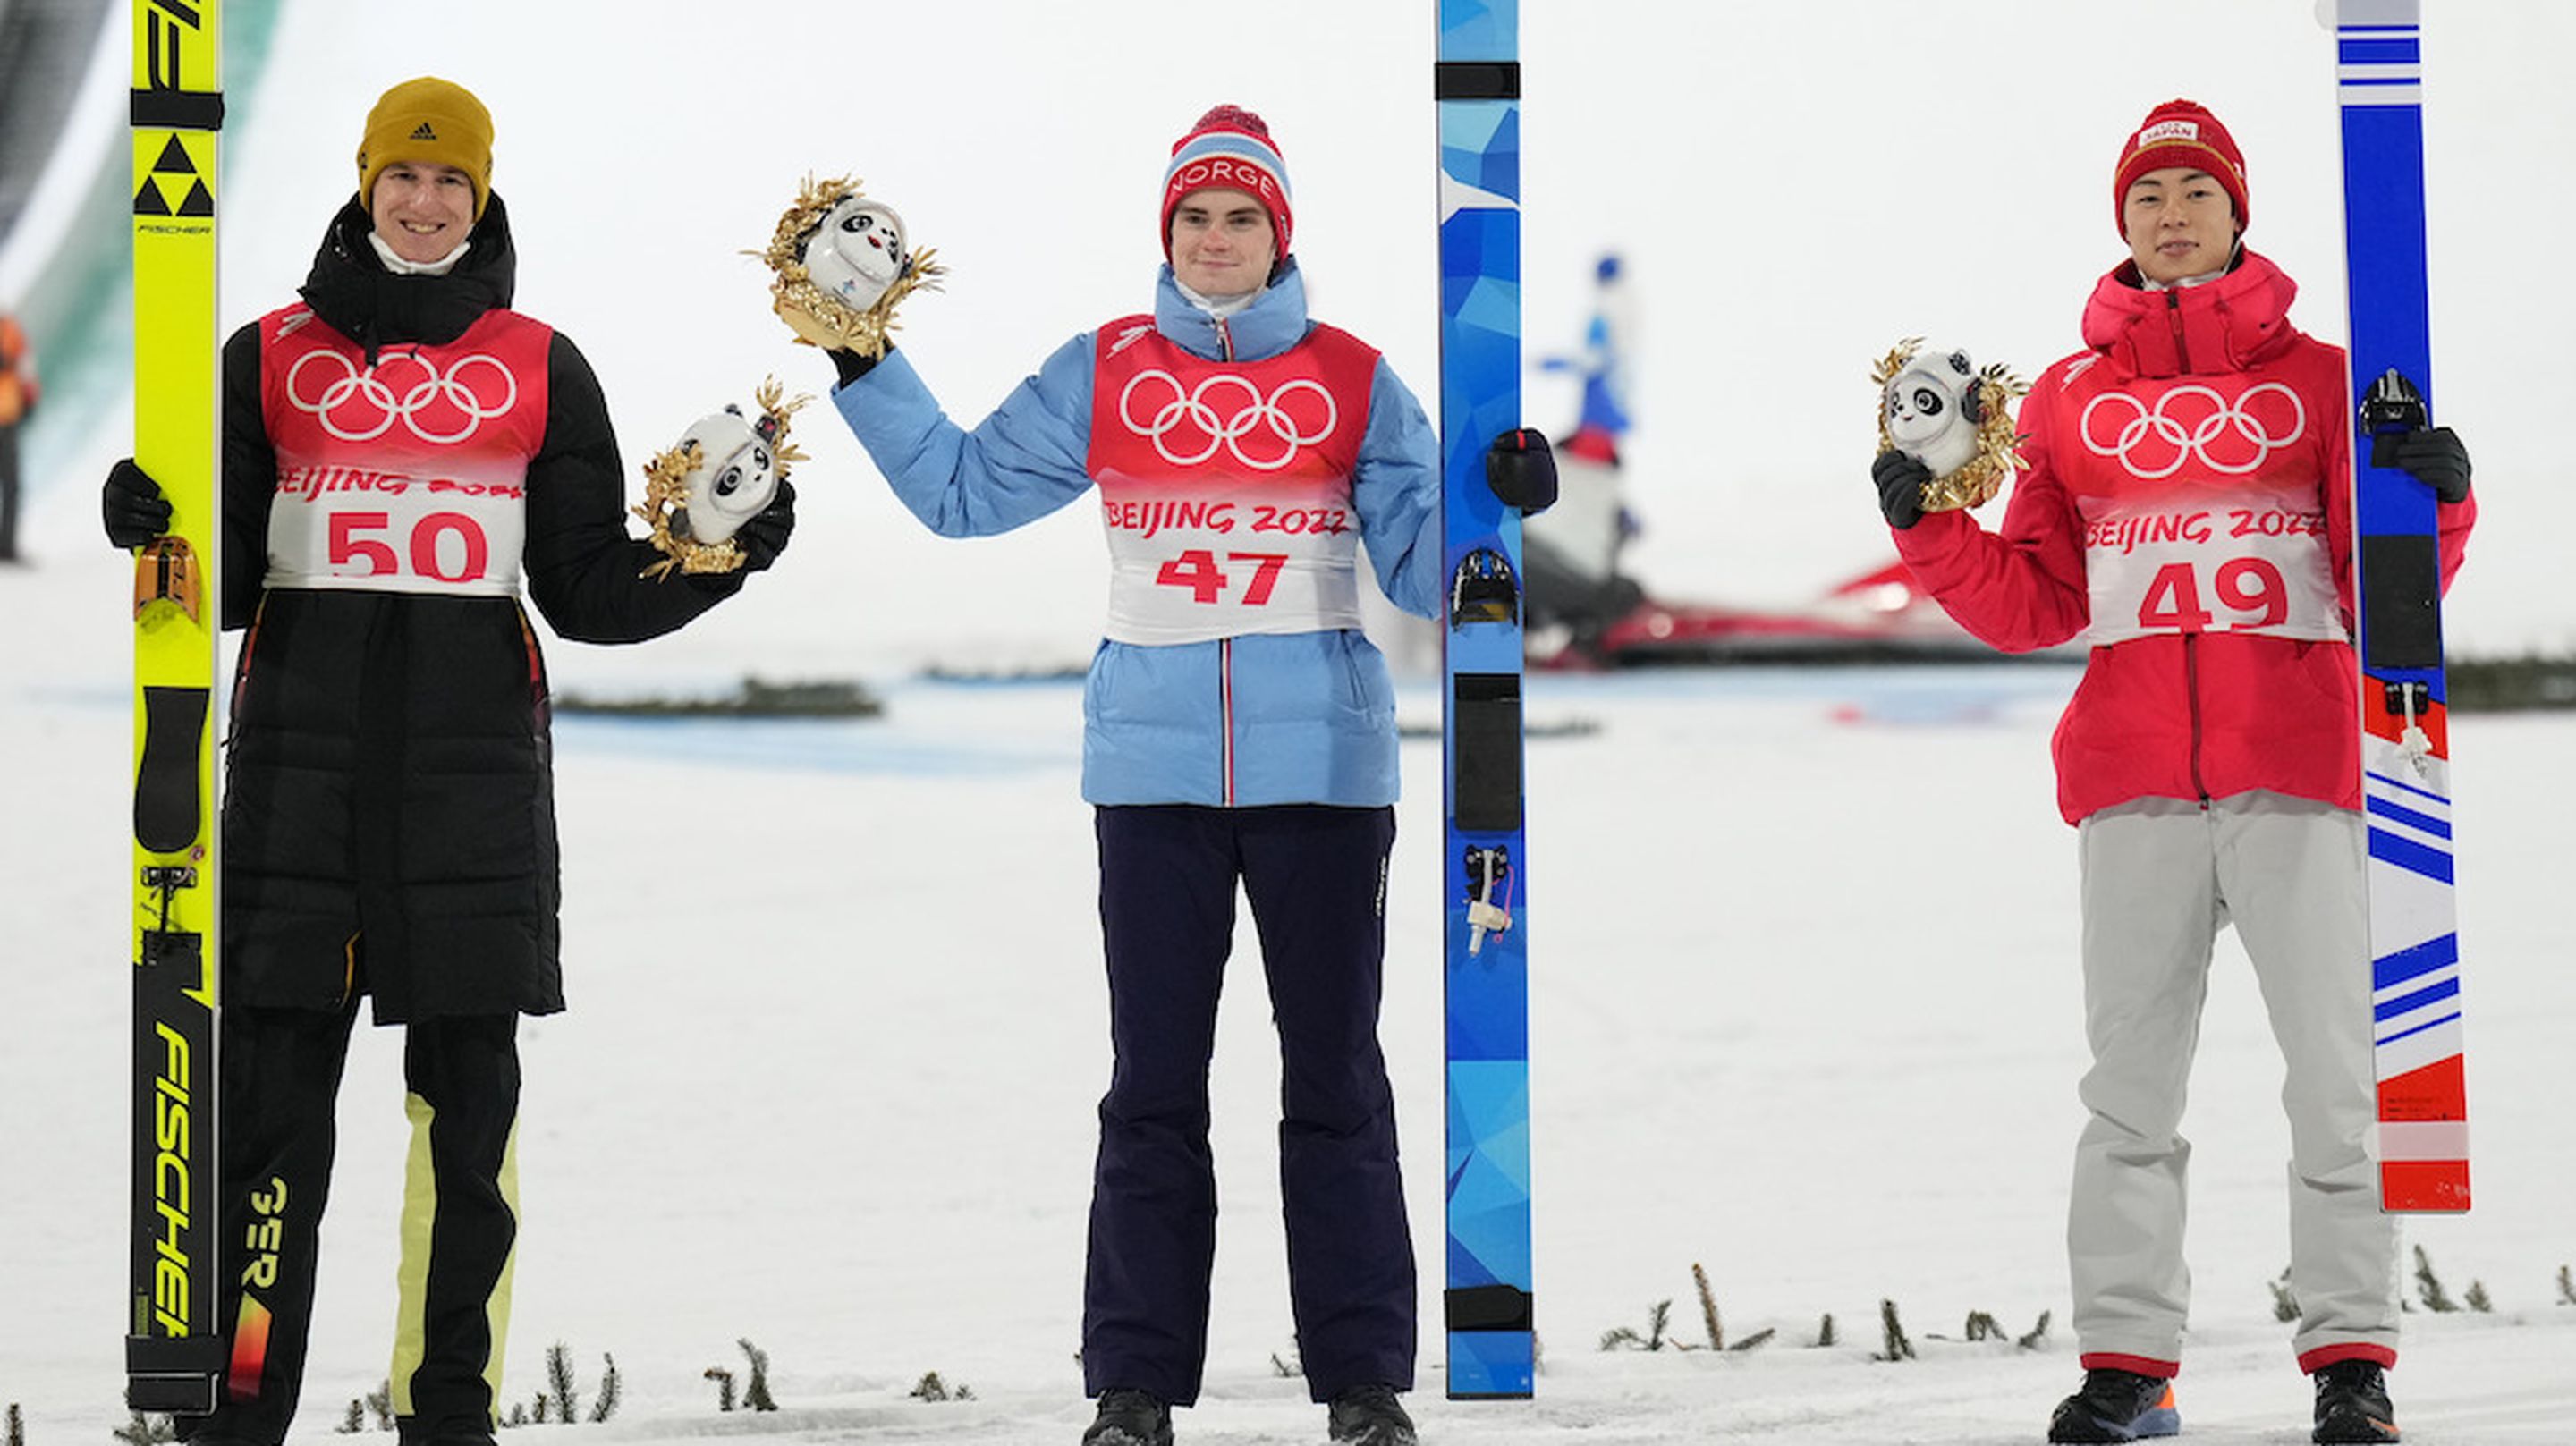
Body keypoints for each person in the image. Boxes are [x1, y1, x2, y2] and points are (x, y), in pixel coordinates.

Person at [777, 105, 1552, 1446]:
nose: (1215, 239)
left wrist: (1500, 505)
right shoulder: (1109, 368)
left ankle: (1362, 1383)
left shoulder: (1355, 377)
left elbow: (1433, 575)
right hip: (1151, 776)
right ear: (1166, 231)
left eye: (1241, 216)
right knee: (1152, 1083)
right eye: (1195, 216)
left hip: (1324, 774)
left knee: (1335, 1078)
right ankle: (1132, 1388)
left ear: (1279, 233)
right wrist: (863, 359)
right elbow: (964, 492)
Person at [98, 77, 795, 1446]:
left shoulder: (541, 364)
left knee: (465, 1135)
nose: (424, 204)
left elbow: (589, 588)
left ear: (483, 199)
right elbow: (220, 581)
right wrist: (143, 513)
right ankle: (242, 1405)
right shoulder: (264, 355)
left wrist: (715, 560)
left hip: (471, 796)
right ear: (365, 188)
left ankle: (448, 1411)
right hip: (301, 788)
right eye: (402, 180)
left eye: (451, 185)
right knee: (272, 1136)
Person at [1868, 99, 2473, 1446]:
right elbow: (2032, 599)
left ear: (2238, 212)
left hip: (2300, 768)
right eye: (2150, 195)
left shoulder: (2329, 376)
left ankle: (2351, 1362)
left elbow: (2396, 592)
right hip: (2134, 778)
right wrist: (1924, 528)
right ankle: (2129, 1368)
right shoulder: (2072, 402)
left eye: (2198, 190)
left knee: (2333, 1077)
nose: (2174, 212)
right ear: (2122, 221)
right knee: (2128, 1094)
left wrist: (2440, 498)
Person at [0, 311, 37, 562]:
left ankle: (8, 546)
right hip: (7, 414)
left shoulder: (11, 330)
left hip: (8, 417)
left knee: (11, 485)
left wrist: (30, 400)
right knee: (11, 484)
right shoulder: (10, 329)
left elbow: (25, 368)